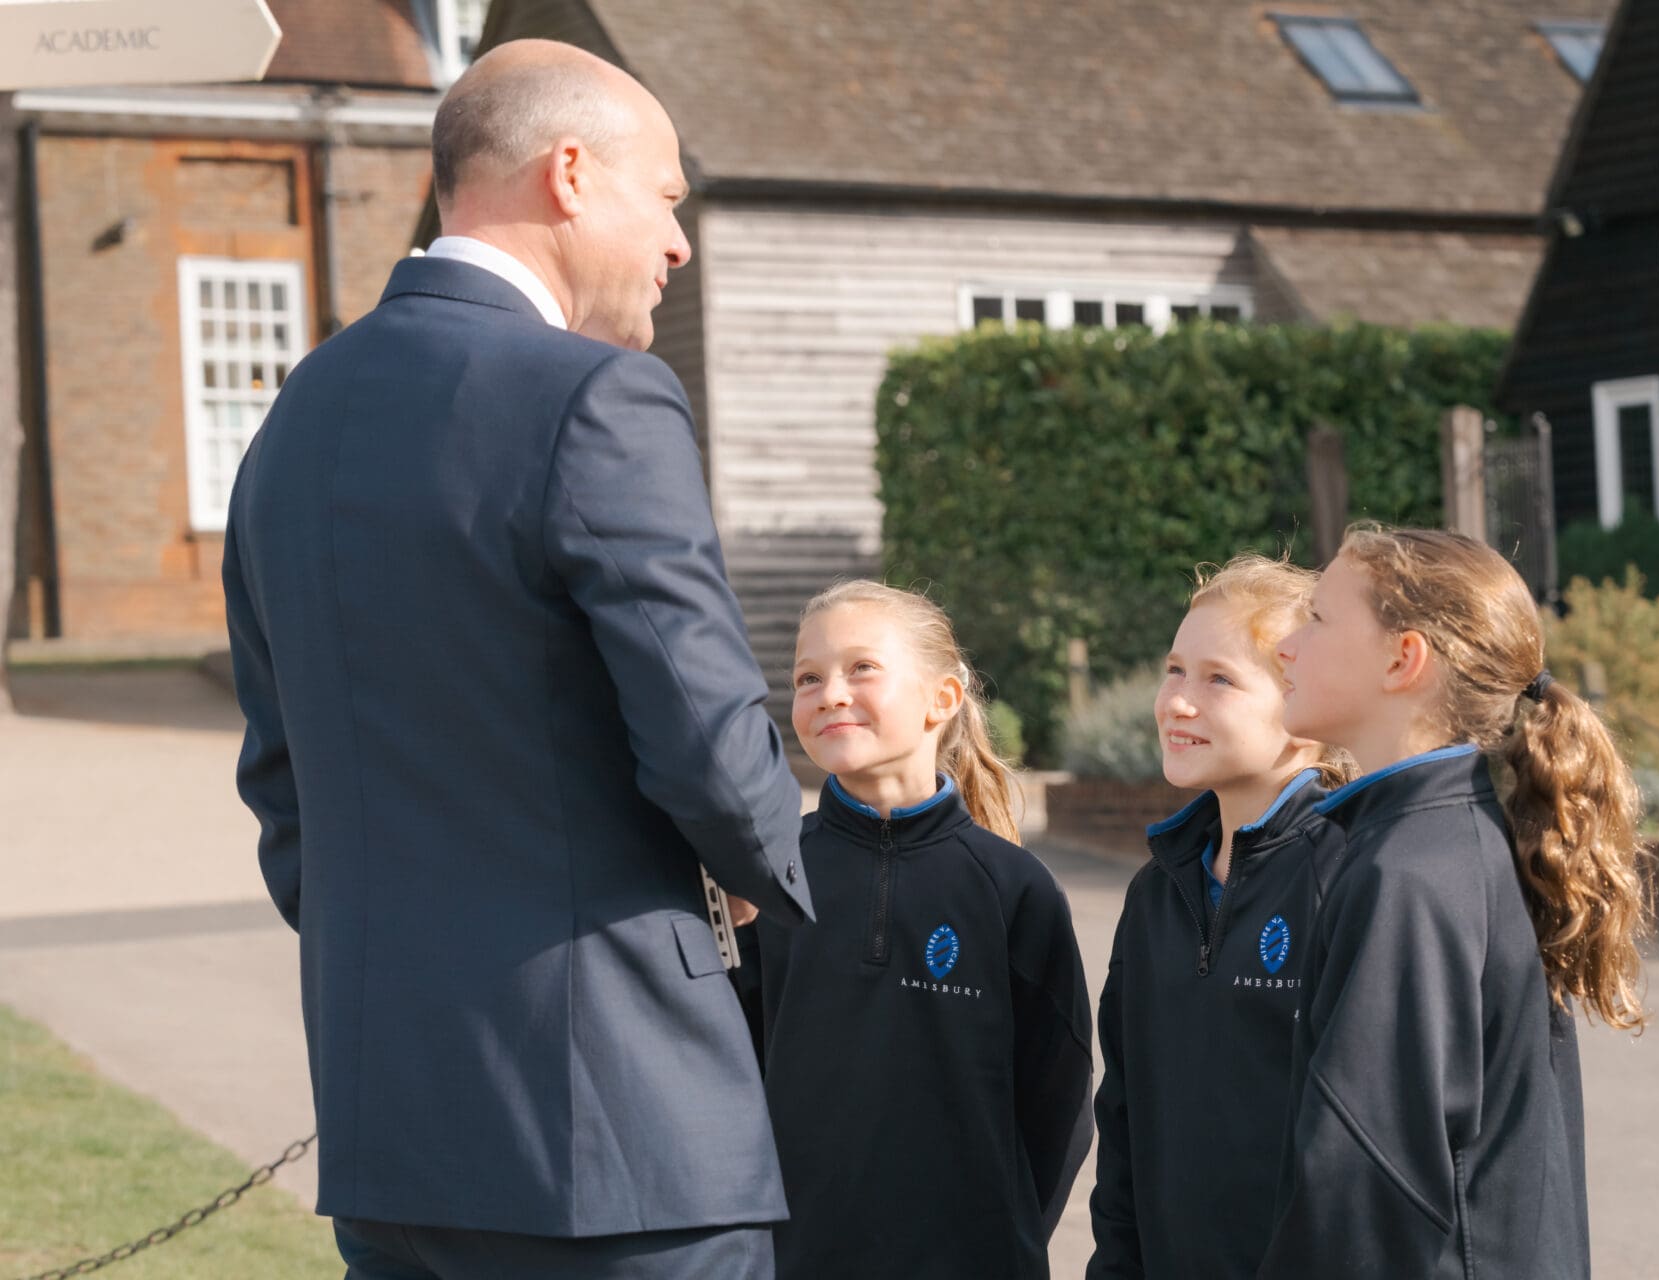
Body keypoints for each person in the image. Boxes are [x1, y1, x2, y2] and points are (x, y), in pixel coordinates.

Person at [222, 39, 812, 1280]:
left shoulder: (290, 425)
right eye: (665, 199)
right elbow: (713, 751)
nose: (678, 244)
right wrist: (757, 875)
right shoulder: (597, 398)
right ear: (570, 173)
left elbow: (286, 797)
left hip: (394, 1142)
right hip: (621, 1142)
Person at [1255, 526, 1654, 1280]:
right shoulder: (1433, 840)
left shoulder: (1409, 870)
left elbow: (1367, 1181)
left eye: (1317, 620)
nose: (1286, 647)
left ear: (1403, 659)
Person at [742, 581, 1093, 1279]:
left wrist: (1005, 1235)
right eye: (808, 677)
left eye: (861, 668)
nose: (830, 693)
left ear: (943, 699)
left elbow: (1058, 1101)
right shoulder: (766, 877)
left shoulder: (1013, 889)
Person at [1085, 554, 1349, 1279]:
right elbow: (1124, 1122)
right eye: (1175, 669)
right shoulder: (1156, 893)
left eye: (1219, 679)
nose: (1176, 701)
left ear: (1308, 708)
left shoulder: (1351, 879)